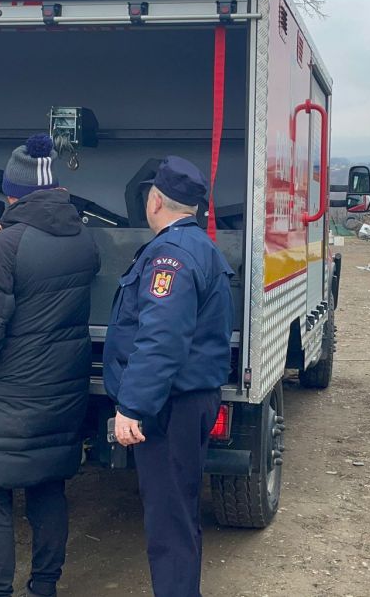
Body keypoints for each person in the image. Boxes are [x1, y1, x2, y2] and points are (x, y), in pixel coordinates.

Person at [0, 134, 101, 597]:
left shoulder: (2, 247)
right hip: (63, 388)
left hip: (8, 393)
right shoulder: (83, 239)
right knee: (47, 485)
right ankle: (44, 586)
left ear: (11, 194)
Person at [103, 156, 234, 597]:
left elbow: (161, 339)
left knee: (169, 521)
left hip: (170, 407)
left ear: (155, 200)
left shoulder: (170, 256)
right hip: (186, 400)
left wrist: (132, 407)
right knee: (178, 512)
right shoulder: (197, 246)